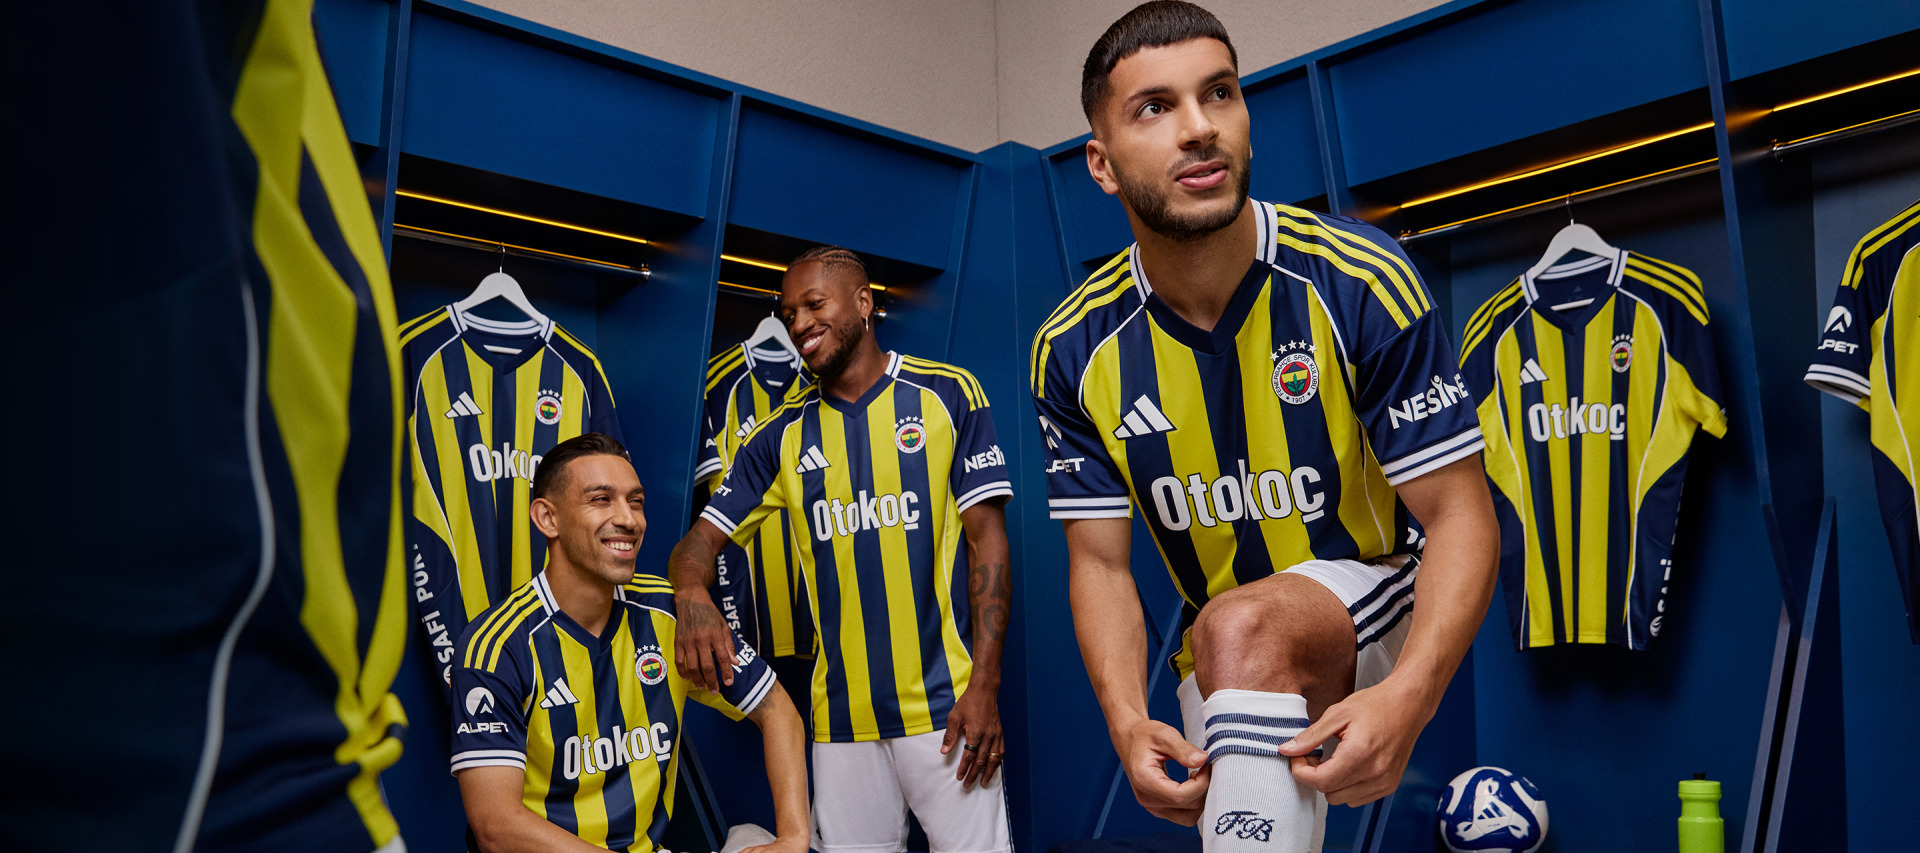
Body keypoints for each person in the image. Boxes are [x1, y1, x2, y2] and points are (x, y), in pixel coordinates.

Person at [1030, 3, 1499, 850]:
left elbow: (1462, 515)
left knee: (1244, 625)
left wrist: (1412, 694)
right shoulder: (1073, 348)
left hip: (1385, 594)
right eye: (1155, 107)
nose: (1199, 128)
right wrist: (1126, 719)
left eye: (1220, 93)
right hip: (1216, 649)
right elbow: (1099, 565)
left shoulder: (1359, 276)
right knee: (1235, 647)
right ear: (1101, 164)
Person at [670, 247, 1017, 853]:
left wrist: (985, 687)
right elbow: (697, 542)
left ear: (863, 303)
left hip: (946, 711)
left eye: (813, 305)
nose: (798, 323)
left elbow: (989, 542)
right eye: (787, 312)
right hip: (840, 723)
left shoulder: (946, 396)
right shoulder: (778, 436)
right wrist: (691, 589)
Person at [449, 433, 809, 853]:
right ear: (548, 518)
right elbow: (496, 825)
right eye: (601, 499)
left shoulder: (670, 614)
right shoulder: (497, 648)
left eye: (635, 501)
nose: (629, 519)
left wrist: (794, 837)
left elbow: (778, 709)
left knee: (754, 839)